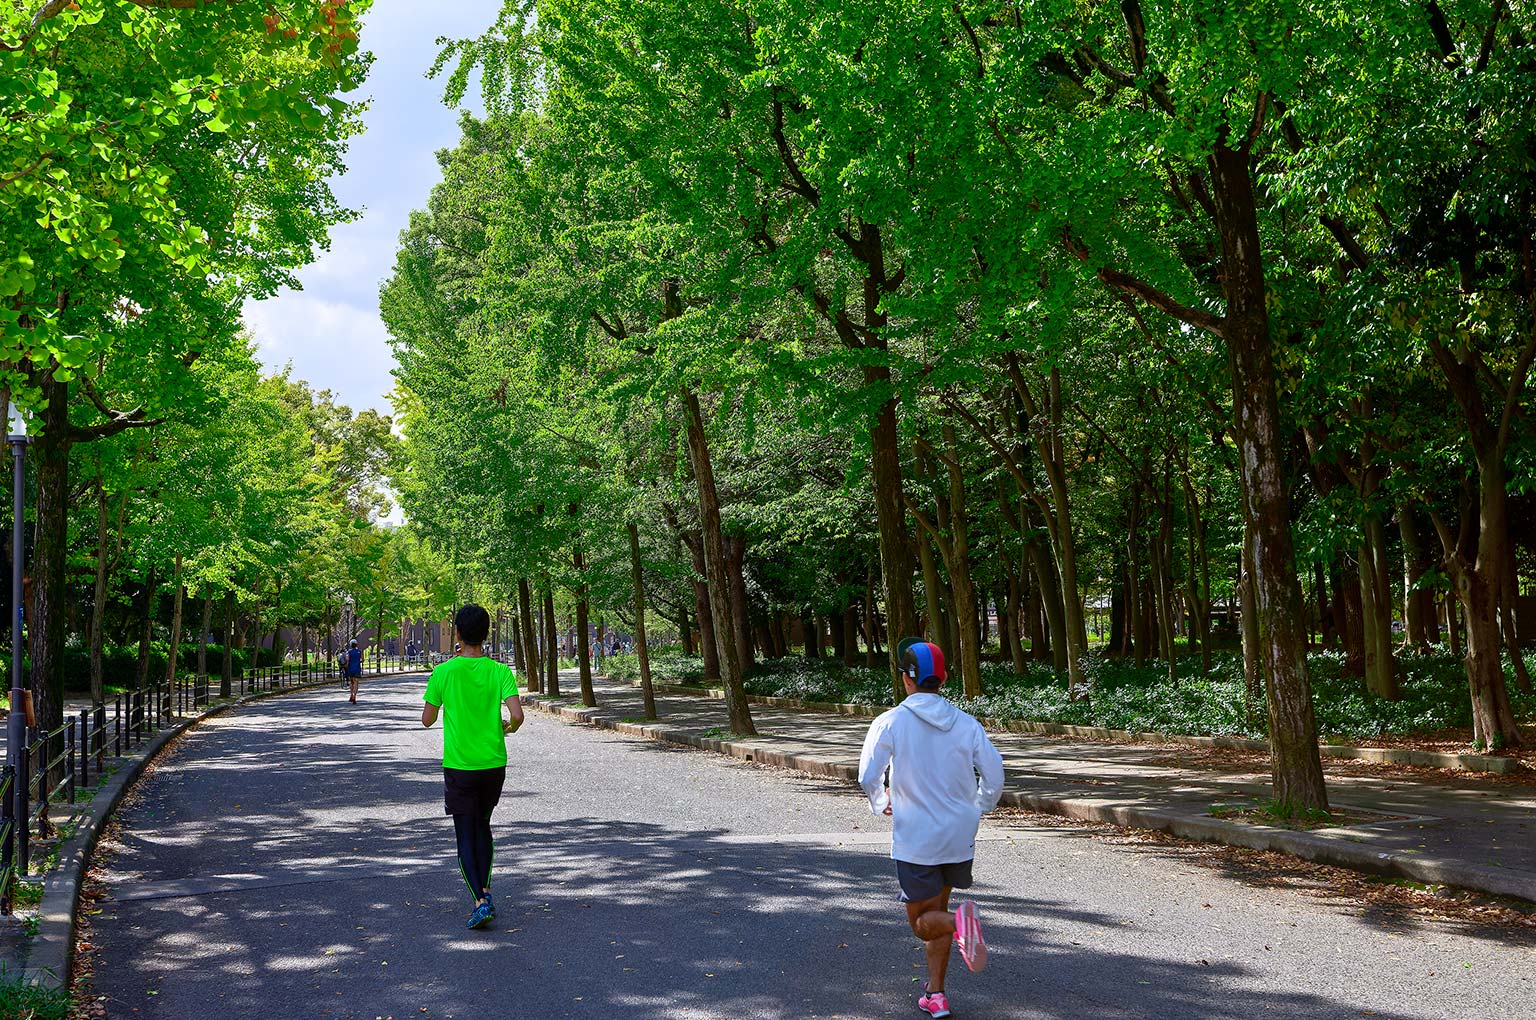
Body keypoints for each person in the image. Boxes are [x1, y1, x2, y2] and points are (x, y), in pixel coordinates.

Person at [858, 640, 1005, 1019]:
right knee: (936, 908)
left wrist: (880, 800)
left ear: (906, 678)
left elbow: (867, 774)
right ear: (944, 678)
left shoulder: (890, 721)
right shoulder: (967, 723)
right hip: (959, 836)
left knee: (924, 925)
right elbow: (995, 774)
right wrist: (979, 808)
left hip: (916, 838)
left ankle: (961, 922)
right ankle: (935, 994)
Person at [421, 604, 524, 930]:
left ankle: (480, 901)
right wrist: (507, 728)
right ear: (486, 633)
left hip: (460, 765)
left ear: (457, 633)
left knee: (465, 832)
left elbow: (427, 720)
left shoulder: (444, 673)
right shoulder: (500, 672)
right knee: (483, 824)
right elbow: (518, 715)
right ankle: (487, 889)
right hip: (493, 763)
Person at [344, 639, 363, 703]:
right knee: (356, 682)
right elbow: (362, 659)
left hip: (350, 669)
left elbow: (347, 660)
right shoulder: (359, 651)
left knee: (351, 682)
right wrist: (357, 661)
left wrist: (346, 666)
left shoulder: (348, 652)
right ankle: (355, 696)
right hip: (357, 668)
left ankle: (351, 694)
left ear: (350, 645)